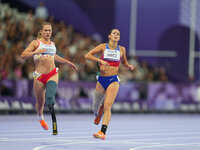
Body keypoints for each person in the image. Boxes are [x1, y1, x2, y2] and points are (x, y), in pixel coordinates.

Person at [21, 22, 78, 135]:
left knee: (50, 97)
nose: (48, 32)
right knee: (40, 101)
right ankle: (40, 117)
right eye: (46, 30)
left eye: (50, 30)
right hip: (39, 76)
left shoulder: (52, 44)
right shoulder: (36, 42)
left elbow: (54, 56)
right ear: (41, 32)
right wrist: (35, 52)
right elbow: (23, 55)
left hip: (52, 73)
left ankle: (52, 111)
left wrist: (68, 62)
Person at [85, 29, 134, 140]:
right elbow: (87, 55)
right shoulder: (103, 46)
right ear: (109, 36)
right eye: (114, 33)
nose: (116, 35)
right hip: (101, 79)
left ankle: (103, 132)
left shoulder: (122, 49)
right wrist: (99, 60)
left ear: (119, 38)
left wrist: (129, 66)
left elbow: (124, 62)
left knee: (108, 105)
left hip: (113, 80)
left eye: (118, 34)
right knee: (95, 107)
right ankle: (98, 113)